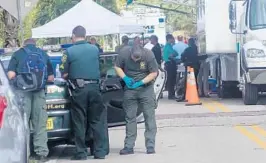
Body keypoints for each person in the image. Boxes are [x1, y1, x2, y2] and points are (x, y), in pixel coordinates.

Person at [60, 26, 107, 160]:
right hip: (95, 88)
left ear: (73, 36)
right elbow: (100, 67)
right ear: (85, 36)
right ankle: (100, 152)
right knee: (97, 121)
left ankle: (81, 153)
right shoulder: (94, 49)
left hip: (79, 90)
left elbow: (64, 74)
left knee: (79, 120)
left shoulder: (68, 51)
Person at [7, 38, 54, 162]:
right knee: (40, 123)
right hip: (39, 93)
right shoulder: (43, 54)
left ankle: (25, 154)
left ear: (24, 44)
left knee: (22, 124)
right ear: (35, 44)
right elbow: (50, 77)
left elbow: (11, 75)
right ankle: (42, 153)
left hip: (23, 94)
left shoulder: (17, 54)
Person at [115, 44, 158, 155]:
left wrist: (141, 82)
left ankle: (150, 145)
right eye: (134, 58)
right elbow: (117, 67)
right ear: (130, 53)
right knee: (130, 117)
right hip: (130, 89)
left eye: (138, 59)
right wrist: (125, 78)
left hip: (146, 89)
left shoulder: (149, 54)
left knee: (149, 117)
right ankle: (129, 146)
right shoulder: (124, 53)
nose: (136, 60)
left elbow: (154, 73)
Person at [163, 34, 178, 100]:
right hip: (170, 64)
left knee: (171, 79)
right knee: (171, 80)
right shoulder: (168, 46)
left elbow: (175, 53)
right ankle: (171, 94)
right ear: (169, 39)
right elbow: (175, 53)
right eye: (172, 39)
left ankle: (171, 94)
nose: (173, 40)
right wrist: (173, 54)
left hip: (168, 64)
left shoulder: (167, 46)